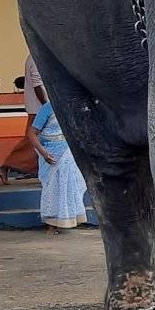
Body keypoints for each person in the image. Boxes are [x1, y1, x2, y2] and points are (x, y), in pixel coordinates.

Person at [30, 85, 88, 232]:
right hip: (51, 155)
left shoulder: (70, 107)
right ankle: (51, 224)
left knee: (70, 185)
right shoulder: (47, 108)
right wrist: (44, 153)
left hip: (69, 152)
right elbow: (31, 134)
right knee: (52, 188)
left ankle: (68, 220)